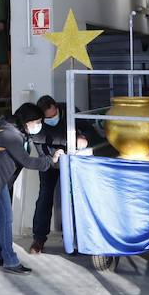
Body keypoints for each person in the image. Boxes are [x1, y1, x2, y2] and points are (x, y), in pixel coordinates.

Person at [0, 102, 58, 275]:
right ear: (27, 121)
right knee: (7, 217)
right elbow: (27, 161)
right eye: (37, 121)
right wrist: (51, 159)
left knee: (2, 215)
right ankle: (10, 261)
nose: (39, 125)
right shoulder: (11, 135)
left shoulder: (12, 129)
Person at [29, 95, 101, 254]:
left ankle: (77, 239)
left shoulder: (70, 111)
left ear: (56, 107)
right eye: (47, 118)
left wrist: (84, 137)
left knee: (76, 197)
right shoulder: (37, 123)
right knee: (44, 197)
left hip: (72, 158)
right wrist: (53, 158)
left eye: (53, 116)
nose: (51, 119)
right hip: (50, 161)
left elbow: (90, 129)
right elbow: (41, 152)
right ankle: (39, 239)